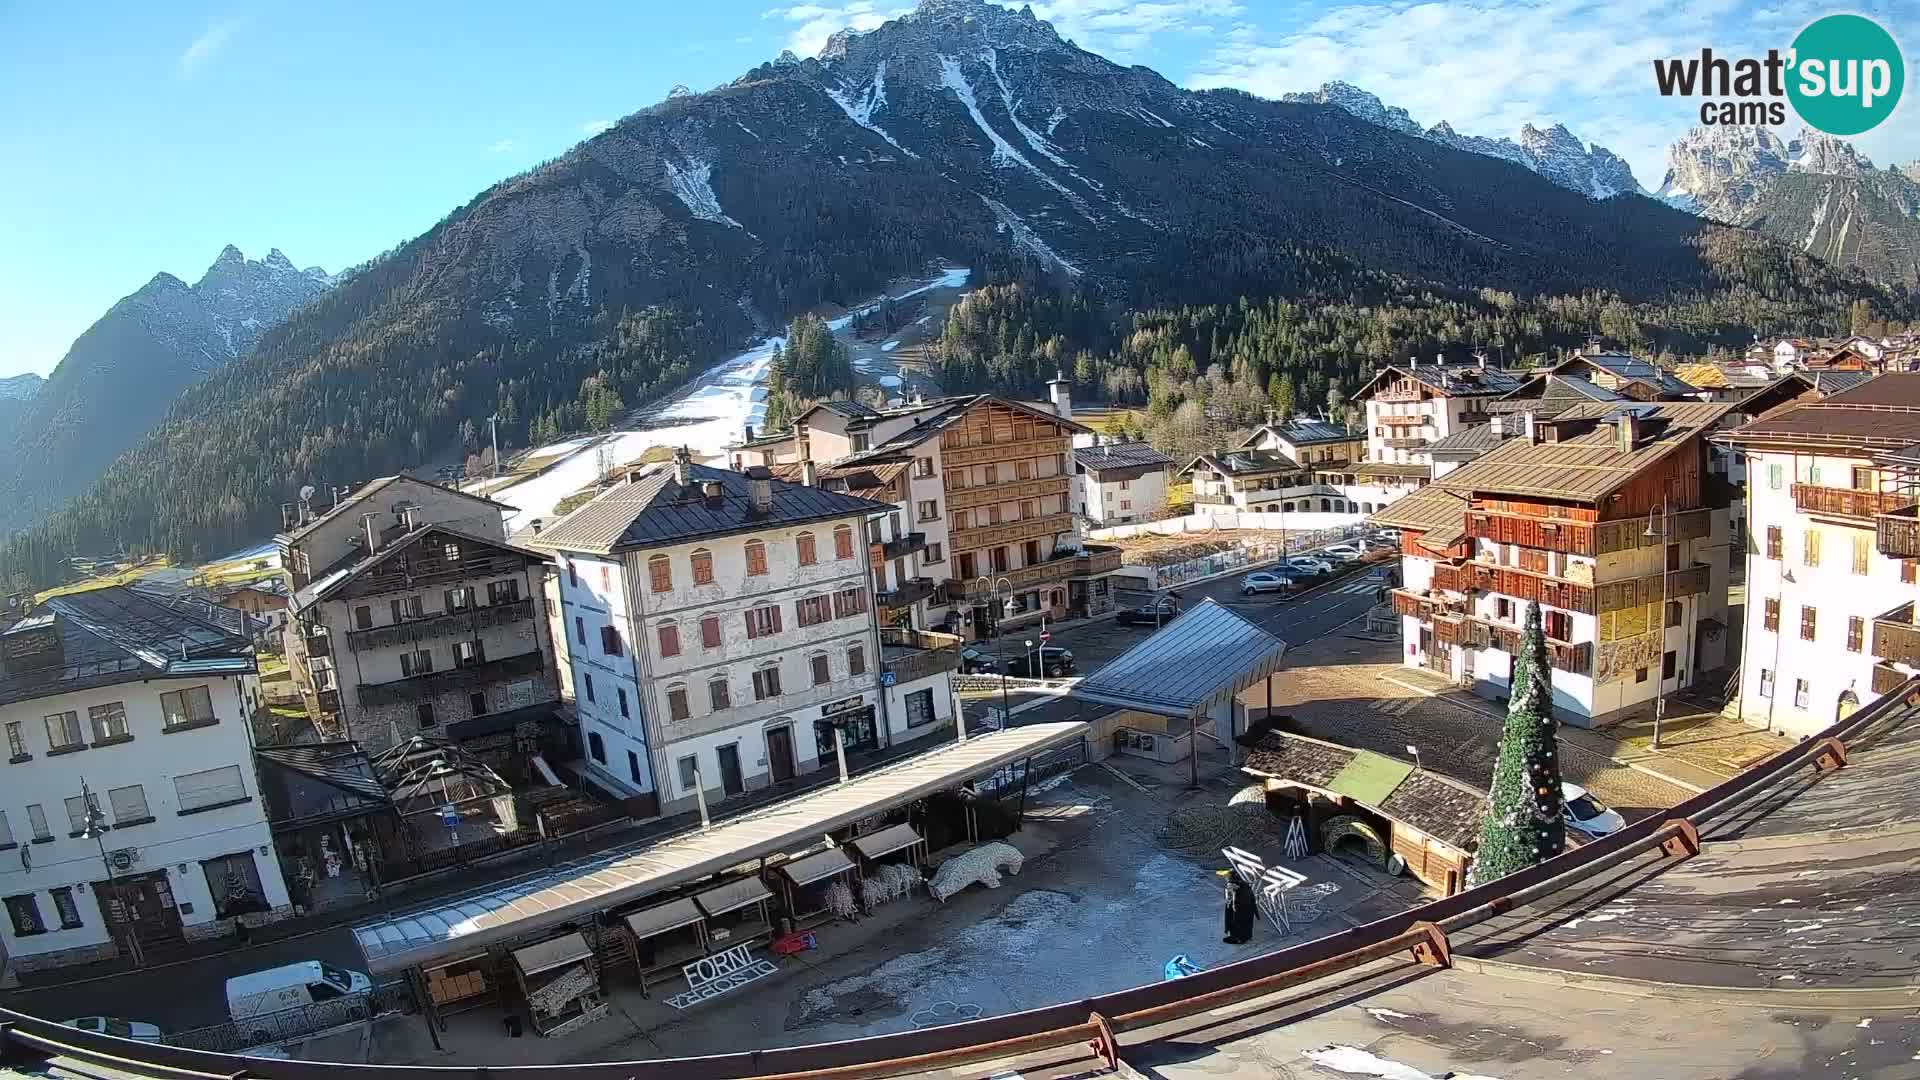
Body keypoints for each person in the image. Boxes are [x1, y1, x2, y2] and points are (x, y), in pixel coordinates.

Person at [1222, 874, 1256, 945]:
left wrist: (1232, 902)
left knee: (1240, 920)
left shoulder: (1243, 891)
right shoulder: (1242, 888)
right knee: (1235, 918)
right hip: (1241, 908)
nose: (1228, 887)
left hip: (1243, 911)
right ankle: (1239, 936)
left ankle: (1240, 938)